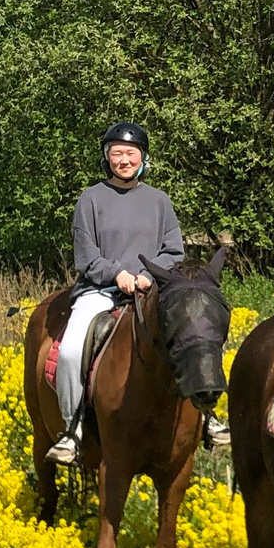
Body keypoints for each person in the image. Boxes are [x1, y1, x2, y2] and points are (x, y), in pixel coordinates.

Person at [47, 122, 186, 465]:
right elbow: (86, 255)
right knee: (69, 353)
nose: (124, 160)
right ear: (106, 158)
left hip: (150, 291)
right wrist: (117, 273)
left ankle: (206, 416)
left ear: (143, 158)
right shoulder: (90, 198)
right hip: (100, 290)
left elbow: (174, 251)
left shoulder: (160, 200)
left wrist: (147, 276)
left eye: (131, 153)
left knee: (193, 338)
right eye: (117, 153)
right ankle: (71, 431)